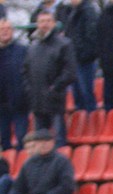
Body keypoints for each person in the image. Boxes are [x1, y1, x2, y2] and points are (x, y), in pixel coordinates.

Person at [23, 10, 75, 147]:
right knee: (39, 142)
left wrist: (55, 88)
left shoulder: (64, 44)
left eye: (48, 21)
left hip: (55, 101)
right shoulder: (33, 47)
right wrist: (30, 90)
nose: (44, 24)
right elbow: (25, 72)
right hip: (37, 101)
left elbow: (70, 72)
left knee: (58, 140)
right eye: (41, 21)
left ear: (53, 23)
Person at [0, 129, 74, 194]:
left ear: (53, 143)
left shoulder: (62, 161)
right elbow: (19, 187)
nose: (44, 145)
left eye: (47, 141)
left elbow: (66, 186)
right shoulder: (29, 163)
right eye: (40, 142)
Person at [64, 0, 98, 113]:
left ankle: (91, 122)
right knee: (77, 95)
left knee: (86, 93)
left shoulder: (88, 11)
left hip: (84, 60)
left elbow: (92, 35)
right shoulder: (71, 11)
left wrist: (85, 55)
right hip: (74, 59)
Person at [0, 19, 29, 151]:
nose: (4, 32)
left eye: (7, 29)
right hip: (1, 105)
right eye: (1, 29)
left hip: (20, 102)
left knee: (21, 136)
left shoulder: (22, 50)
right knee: (4, 138)